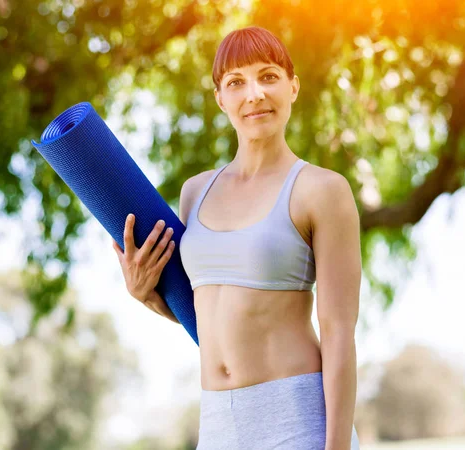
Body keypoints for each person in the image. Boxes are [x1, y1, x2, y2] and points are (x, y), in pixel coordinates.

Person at [112, 26, 361, 450]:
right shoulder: (195, 191)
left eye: (268, 77)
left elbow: (338, 331)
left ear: (293, 87)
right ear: (220, 98)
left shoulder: (322, 190)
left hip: (296, 420)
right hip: (217, 424)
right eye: (236, 82)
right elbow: (209, 316)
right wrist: (146, 296)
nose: (254, 94)